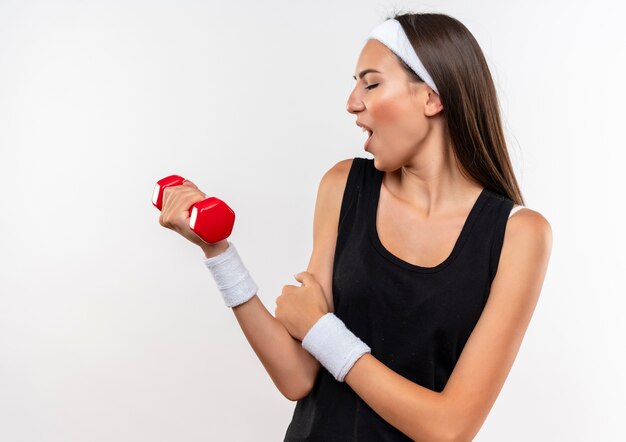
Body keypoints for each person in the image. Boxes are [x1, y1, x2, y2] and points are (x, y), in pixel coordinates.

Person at [158, 11, 553, 442]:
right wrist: (218, 252)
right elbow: (298, 378)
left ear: (432, 97)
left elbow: (449, 428)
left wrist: (323, 331)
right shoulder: (344, 186)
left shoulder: (519, 234)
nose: (352, 102)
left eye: (371, 83)